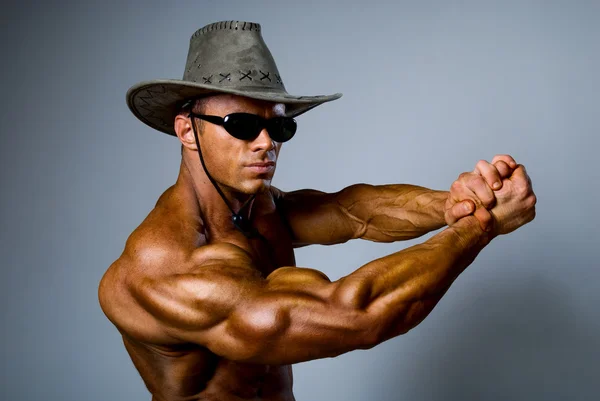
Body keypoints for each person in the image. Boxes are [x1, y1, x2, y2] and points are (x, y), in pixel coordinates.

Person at [98, 20, 536, 401]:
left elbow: (352, 210)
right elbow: (355, 316)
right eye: (243, 125)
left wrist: (459, 202)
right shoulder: (163, 273)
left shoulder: (259, 209)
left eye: (280, 125)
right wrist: (480, 226)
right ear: (187, 130)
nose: (267, 142)